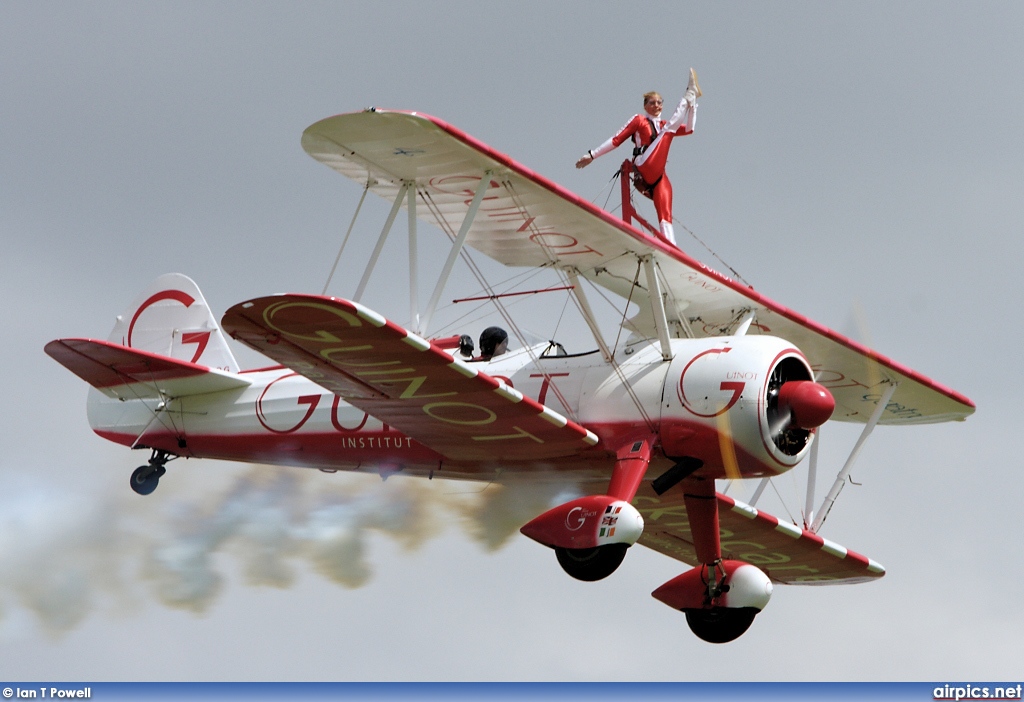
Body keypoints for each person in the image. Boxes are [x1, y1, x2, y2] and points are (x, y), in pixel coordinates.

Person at [576, 69, 701, 246]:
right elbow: (616, 140)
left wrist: (692, 107)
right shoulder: (639, 120)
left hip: (658, 174)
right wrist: (592, 155)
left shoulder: (665, 124)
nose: (657, 105)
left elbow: (689, 129)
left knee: (665, 215)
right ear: (645, 106)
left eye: (660, 102)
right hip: (644, 166)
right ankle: (688, 94)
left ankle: (671, 247)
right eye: (652, 102)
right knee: (667, 133)